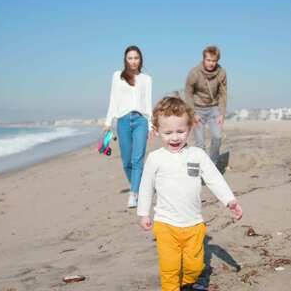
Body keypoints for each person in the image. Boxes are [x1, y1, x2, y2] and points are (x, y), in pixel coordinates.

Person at [137, 97, 243, 291]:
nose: (175, 137)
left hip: (194, 224)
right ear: (157, 130)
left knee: (194, 267)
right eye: (168, 132)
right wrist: (143, 213)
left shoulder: (197, 155)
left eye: (180, 131)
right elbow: (145, 187)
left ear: (190, 128)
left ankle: (187, 282)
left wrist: (229, 200)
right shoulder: (155, 158)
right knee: (169, 269)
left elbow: (214, 179)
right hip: (165, 224)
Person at [104, 45, 152, 208]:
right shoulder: (117, 76)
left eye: (136, 58)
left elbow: (148, 103)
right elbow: (113, 99)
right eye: (130, 58)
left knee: (137, 159)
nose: (133, 61)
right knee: (126, 162)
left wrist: (150, 126)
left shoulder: (146, 79)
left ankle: (134, 194)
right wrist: (107, 122)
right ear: (125, 59)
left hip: (140, 121)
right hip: (122, 121)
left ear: (140, 60)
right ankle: (141, 187)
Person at [184, 45, 228, 165]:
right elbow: (188, 93)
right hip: (197, 109)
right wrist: (192, 113)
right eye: (208, 60)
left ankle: (212, 165)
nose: (211, 63)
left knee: (218, 137)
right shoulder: (194, 73)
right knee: (200, 144)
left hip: (214, 109)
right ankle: (202, 169)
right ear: (204, 59)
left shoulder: (221, 73)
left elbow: (223, 94)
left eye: (214, 61)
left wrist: (221, 114)